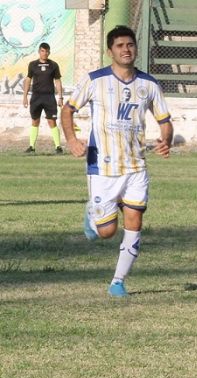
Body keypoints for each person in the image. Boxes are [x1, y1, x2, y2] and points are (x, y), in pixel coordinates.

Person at [61, 25, 173, 298]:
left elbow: (165, 121)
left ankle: (117, 282)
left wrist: (165, 139)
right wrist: (73, 140)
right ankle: (93, 213)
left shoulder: (149, 85)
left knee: (134, 221)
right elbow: (67, 110)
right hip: (102, 167)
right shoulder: (94, 80)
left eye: (130, 44)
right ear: (110, 51)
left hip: (136, 166)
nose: (126, 49)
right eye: (120, 45)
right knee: (107, 231)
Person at [22, 42, 63, 154]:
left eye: (47, 51)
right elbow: (28, 80)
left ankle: (58, 147)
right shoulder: (32, 65)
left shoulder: (54, 65)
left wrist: (60, 97)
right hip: (36, 97)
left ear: (49, 52)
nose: (45, 53)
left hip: (49, 97)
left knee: (52, 121)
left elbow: (58, 81)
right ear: (39, 52)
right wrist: (25, 96)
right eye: (42, 51)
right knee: (35, 121)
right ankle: (31, 147)